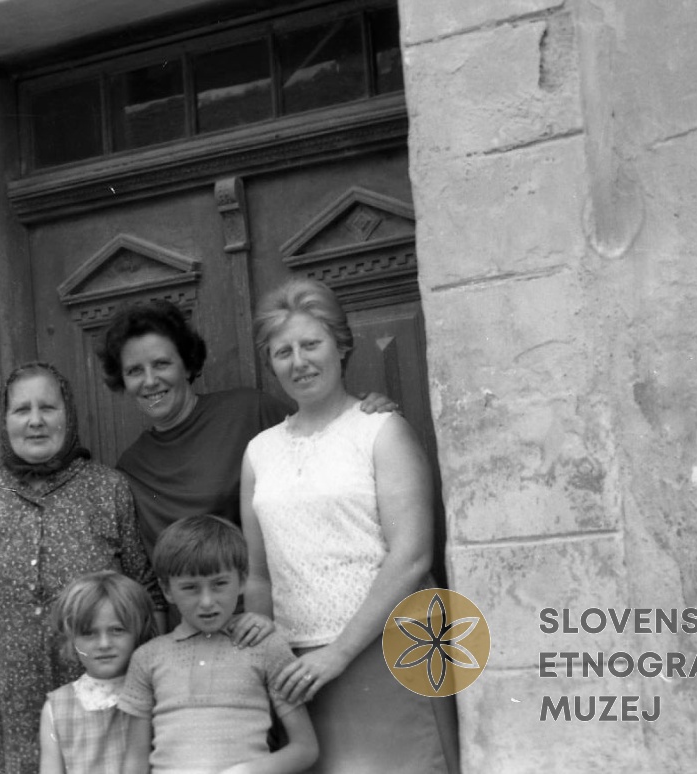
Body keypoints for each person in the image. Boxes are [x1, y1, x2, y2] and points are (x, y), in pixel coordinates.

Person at [240, 279, 459, 773]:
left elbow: (412, 557)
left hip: (392, 648)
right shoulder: (259, 452)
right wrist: (266, 665)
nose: (299, 362)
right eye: (283, 352)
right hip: (299, 670)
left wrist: (337, 654)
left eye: (311, 344)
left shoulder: (381, 430)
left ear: (340, 345)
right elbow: (258, 576)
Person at [0, 362, 162, 774]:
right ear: (5, 421)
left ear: (68, 415)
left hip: (102, 722)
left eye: (48, 407)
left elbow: (147, 600)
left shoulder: (108, 490)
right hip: (1, 724)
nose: (35, 420)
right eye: (22, 410)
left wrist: (152, 695)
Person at [96, 299, 395, 553]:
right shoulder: (131, 467)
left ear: (186, 365)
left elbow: (330, 444)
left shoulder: (248, 411)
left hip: (276, 593)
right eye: (134, 371)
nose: (150, 381)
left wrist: (361, 414)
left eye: (161, 364)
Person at [119, 515, 318, 774]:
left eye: (219, 584)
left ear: (242, 580)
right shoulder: (147, 658)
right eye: (190, 588)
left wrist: (245, 772)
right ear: (167, 590)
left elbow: (305, 748)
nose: (207, 601)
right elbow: (135, 761)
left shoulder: (265, 647)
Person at [40, 570, 159, 774]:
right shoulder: (57, 708)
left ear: (138, 631)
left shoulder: (156, 692)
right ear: (71, 637)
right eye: (89, 633)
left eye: (117, 630)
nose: (104, 644)